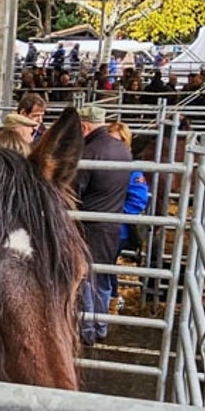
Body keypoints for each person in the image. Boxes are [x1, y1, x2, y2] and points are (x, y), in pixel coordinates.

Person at [72, 103, 134, 345]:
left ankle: (87, 329)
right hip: (113, 224)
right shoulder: (122, 150)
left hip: (88, 223)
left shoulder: (89, 152)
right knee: (104, 275)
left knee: (86, 277)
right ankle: (102, 325)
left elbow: (77, 189)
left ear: (84, 126)